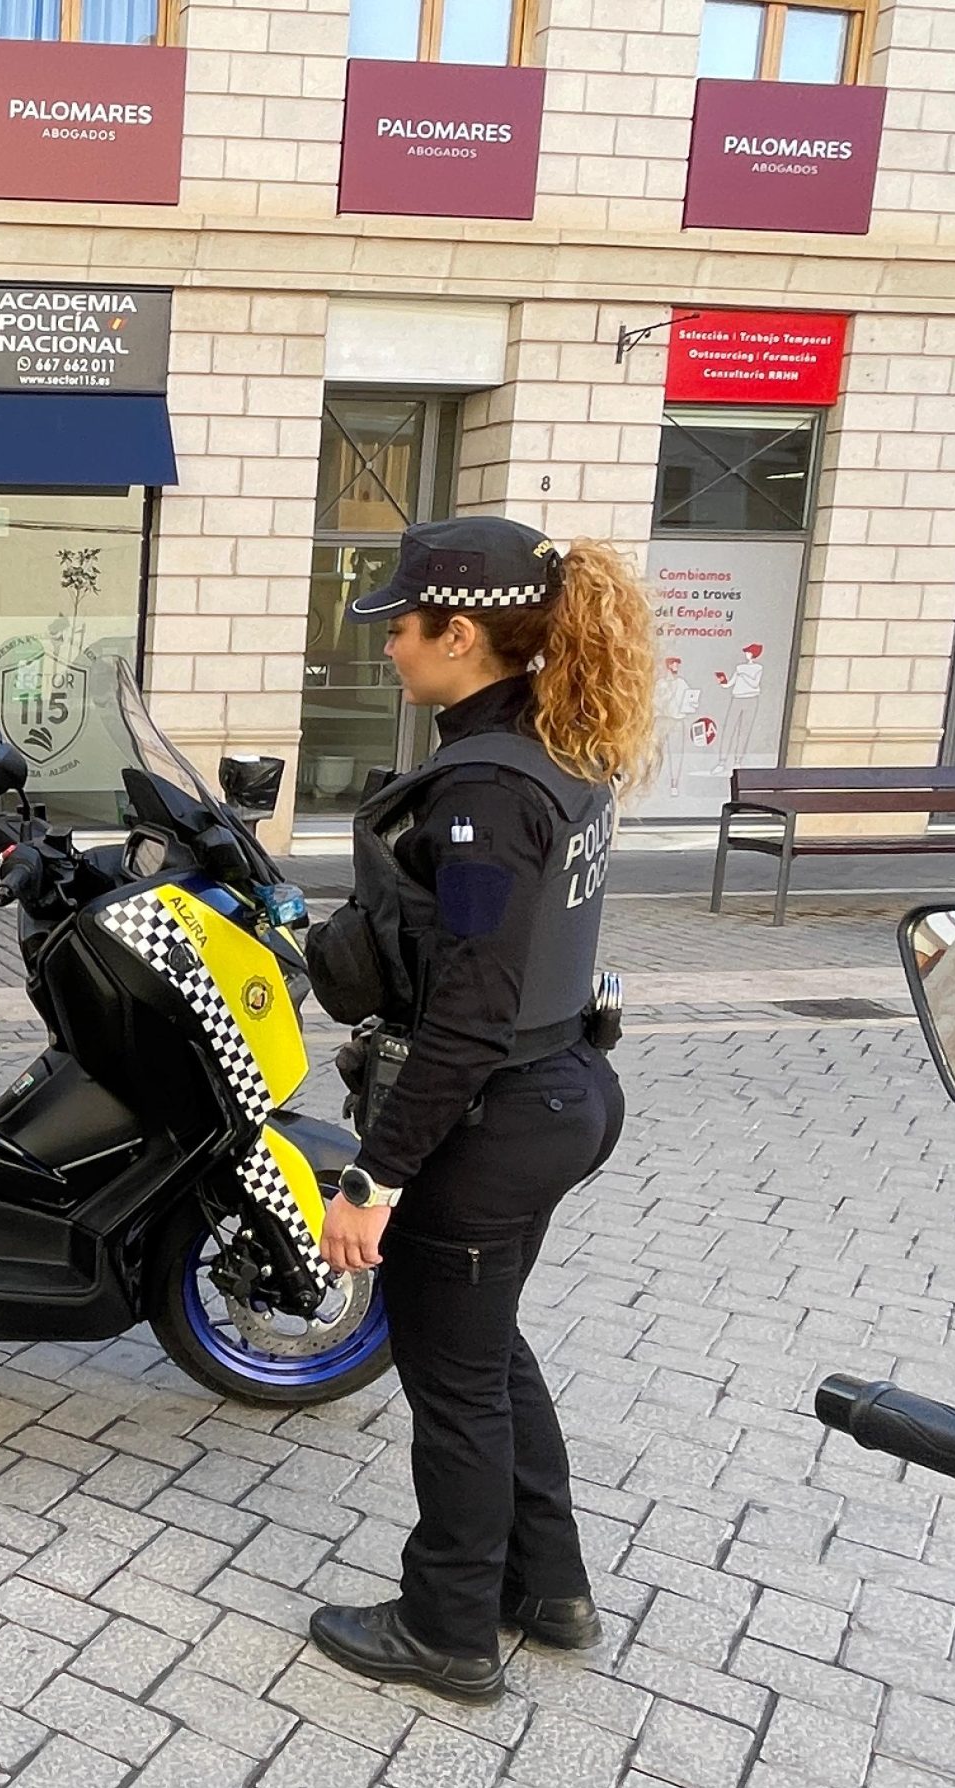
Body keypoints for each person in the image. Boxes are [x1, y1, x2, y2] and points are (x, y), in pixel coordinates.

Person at [301, 516, 656, 1701]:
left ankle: (446, 1629)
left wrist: (373, 1177)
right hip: (558, 1096)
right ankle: (548, 1591)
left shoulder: (486, 792)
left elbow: (468, 1011)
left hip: (489, 1121)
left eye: (400, 626)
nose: (387, 647)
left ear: (459, 633)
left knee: (452, 1381)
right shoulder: (558, 748)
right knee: (486, 1348)